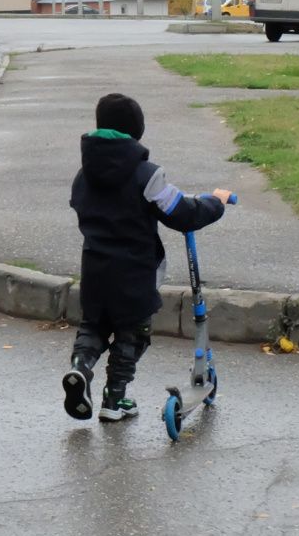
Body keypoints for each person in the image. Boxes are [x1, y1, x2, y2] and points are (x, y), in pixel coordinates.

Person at [62, 94, 232, 422]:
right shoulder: (147, 175)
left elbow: (78, 205)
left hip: (95, 269)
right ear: (136, 130)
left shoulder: (84, 176)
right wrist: (216, 203)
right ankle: (115, 399)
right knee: (132, 333)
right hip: (135, 273)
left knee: (94, 326)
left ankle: (80, 368)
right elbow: (181, 213)